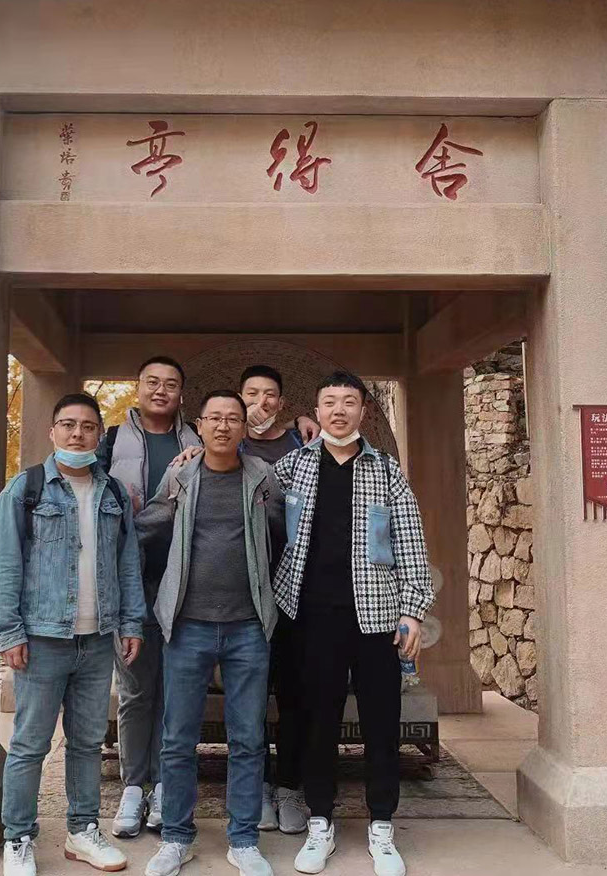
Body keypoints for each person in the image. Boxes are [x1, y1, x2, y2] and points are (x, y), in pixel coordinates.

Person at [271, 371, 434, 876]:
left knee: (381, 724)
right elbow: (245, 495)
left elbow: (410, 541)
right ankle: (320, 821)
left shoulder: (386, 471)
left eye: (348, 402)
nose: (339, 411)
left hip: (377, 617)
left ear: (364, 410)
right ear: (316, 410)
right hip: (309, 617)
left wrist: (412, 610)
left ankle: (381, 825)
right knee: (317, 721)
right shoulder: (290, 467)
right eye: (329, 402)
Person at [0, 392, 147, 876]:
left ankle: (83, 830)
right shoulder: (26, 489)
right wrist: (8, 632)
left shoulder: (112, 493)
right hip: (41, 639)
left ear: (99, 435)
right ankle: (19, 837)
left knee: (87, 742)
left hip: (97, 639)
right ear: (53, 431)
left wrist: (132, 621)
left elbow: (127, 562)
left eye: (88, 426)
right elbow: (3, 564)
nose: (78, 433)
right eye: (69, 424)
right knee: (30, 743)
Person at [136, 390, 285, 876]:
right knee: (178, 739)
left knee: (248, 738)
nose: (223, 426)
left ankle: (243, 839)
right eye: (214, 418)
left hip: (248, 626)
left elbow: (282, 533)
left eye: (232, 419)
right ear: (198, 425)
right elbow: (149, 527)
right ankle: (176, 837)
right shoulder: (180, 475)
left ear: (244, 428)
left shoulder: (263, 477)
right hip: (188, 626)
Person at [100, 356, 202, 839]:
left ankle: (164, 785)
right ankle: (133, 786)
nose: (161, 391)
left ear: (182, 393)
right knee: (136, 689)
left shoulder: (198, 441)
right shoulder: (110, 442)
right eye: (152, 382)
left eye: (171, 384)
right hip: (132, 582)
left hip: (185, 583)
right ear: (137, 388)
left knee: (174, 690)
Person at [237, 365, 306, 835]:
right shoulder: (224, 444)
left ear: (281, 403)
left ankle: (290, 785)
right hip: (243, 590)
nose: (260, 403)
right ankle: (258, 785)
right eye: (251, 394)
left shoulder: (301, 443)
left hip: (295, 589)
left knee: (294, 692)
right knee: (250, 695)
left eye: (269, 395)